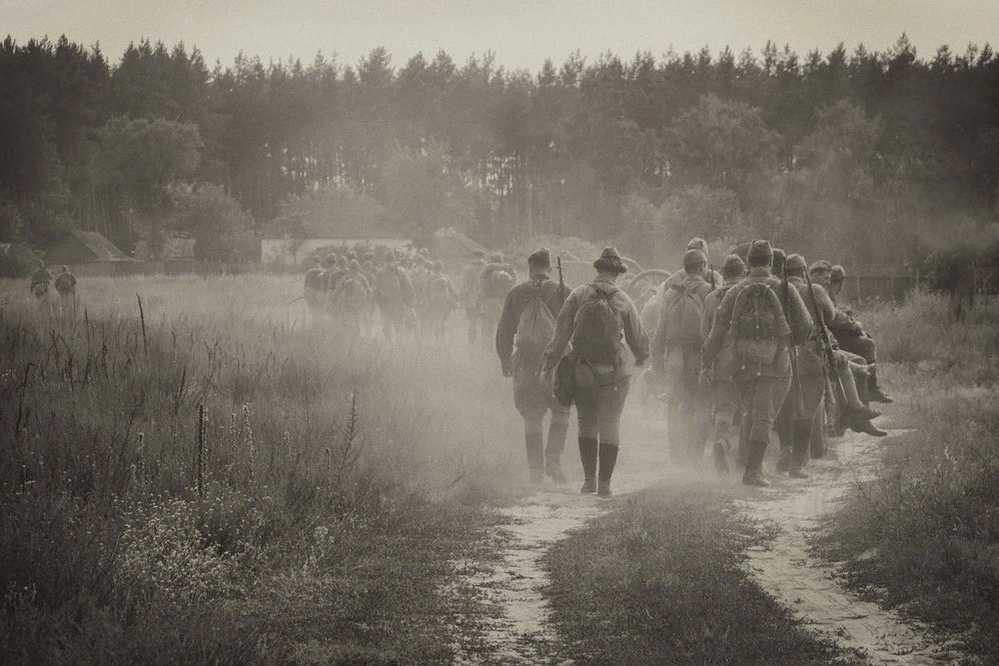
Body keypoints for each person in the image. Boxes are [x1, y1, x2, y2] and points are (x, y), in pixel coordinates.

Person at [702, 240, 813, 487]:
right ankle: (752, 472)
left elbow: (716, 332)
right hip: (777, 364)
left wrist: (706, 362)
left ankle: (750, 465)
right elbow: (806, 327)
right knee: (763, 416)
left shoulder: (734, 292)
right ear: (771, 262)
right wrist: (787, 343)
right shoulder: (785, 289)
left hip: (742, 364)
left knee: (750, 412)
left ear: (749, 263)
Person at [543, 247, 649, 497]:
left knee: (586, 423)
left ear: (598, 269)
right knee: (610, 425)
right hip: (614, 374)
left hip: (584, 372)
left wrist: (548, 366)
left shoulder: (579, 295)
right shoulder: (624, 299)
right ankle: (605, 485)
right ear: (617, 273)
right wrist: (641, 360)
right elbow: (639, 342)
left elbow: (560, 336)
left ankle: (589, 481)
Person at [777, 254, 885, 478]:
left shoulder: (777, 289)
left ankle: (783, 452)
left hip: (781, 357)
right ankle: (798, 465)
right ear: (804, 271)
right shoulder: (815, 290)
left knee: (784, 406)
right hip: (811, 355)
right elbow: (831, 316)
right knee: (808, 409)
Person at [496, 248, 572, 484]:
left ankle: (535, 471)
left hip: (526, 362)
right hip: (557, 362)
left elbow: (504, 332)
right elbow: (576, 330)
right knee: (562, 411)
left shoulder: (516, 293)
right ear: (549, 269)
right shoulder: (564, 291)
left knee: (531, 416)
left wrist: (505, 361)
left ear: (529, 269)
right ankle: (553, 460)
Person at [652, 248, 712, 467]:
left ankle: (676, 456)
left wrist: (658, 371)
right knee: (702, 404)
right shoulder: (709, 291)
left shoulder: (670, 294)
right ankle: (695, 456)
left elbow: (658, 336)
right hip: (700, 356)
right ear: (702, 267)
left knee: (674, 406)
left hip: (674, 357)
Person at [815, 262, 893, 404]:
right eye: (827, 279)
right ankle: (870, 389)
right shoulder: (822, 292)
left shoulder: (823, 292)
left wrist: (846, 315)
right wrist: (853, 324)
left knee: (865, 338)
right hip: (831, 338)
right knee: (867, 345)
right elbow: (834, 317)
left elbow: (834, 312)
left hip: (831, 335)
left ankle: (868, 392)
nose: (828, 283)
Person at [700, 254, 746, 474]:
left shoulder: (711, 298)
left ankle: (721, 440)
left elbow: (704, 334)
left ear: (724, 275)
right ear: (743, 272)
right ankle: (745, 460)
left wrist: (707, 363)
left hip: (721, 361)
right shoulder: (749, 292)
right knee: (750, 409)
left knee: (724, 409)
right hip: (749, 360)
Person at [373, 250, 415, 342]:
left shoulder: (381, 273)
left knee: (389, 325)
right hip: (394, 302)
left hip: (390, 303)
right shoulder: (400, 271)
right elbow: (410, 288)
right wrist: (409, 302)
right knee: (396, 325)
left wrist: (380, 301)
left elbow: (375, 290)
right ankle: (398, 345)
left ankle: (392, 345)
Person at [478, 253, 517, 347]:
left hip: (490, 300)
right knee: (503, 325)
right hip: (504, 301)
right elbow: (515, 284)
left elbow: (481, 286)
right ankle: (503, 344)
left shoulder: (486, 270)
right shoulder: (509, 269)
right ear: (502, 260)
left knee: (488, 324)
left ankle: (487, 346)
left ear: (491, 260)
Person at [331, 259, 372, 335]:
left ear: (350, 268)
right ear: (358, 268)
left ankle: (349, 335)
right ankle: (356, 334)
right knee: (357, 320)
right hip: (359, 303)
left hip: (347, 302)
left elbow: (338, 290)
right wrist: (368, 301)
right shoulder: (362, 278)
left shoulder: (345, 277)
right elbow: (369, 291)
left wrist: (334, 299)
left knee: (347, 319)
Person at [423, 260, 460, 340]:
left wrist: (426, 299)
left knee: (435, 319)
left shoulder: (430, 278)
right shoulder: (446, 277)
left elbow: (426, 291)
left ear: (433, 268)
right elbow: (451, 290)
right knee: (443, 320)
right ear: (442, 268)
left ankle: (436, 338)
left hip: (433, 301)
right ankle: (443, 337)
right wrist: (457, 298)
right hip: (445, 301)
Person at [460, 250, 487, 345]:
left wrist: (462, 298)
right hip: (485, 299)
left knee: (472, 323)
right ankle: (484, 343)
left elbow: (463, 285)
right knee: (485, 323)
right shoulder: (488, 268)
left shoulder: (468, 268)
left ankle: (471, 343)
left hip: (472, 299)